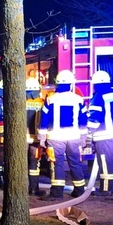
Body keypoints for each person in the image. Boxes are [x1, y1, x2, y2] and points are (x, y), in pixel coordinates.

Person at [38, 70, 88, 200]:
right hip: (74, 137)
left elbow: (44, 120)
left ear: (57, 84)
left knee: (57, 164)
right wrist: (83, 138)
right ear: (71, 84)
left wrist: (42, 137)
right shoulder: (78, 99)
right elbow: (83, 120)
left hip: (55, 138)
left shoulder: (50, 99)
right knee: (75, 163)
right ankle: (80, 191)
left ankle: (57, 193)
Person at [87, 71, 113, 196]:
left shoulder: (98, 97)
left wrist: (88, 135)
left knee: (104, 164)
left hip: (103, 136)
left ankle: (105, 189)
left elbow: (94, 119)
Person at [25, 77, 46, 196]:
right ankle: (33, 189)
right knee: (34, 165)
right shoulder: (42, 102)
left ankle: (21, 188)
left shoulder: (20, 103)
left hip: (22, 140)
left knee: (21, 164)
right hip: (35, 140)